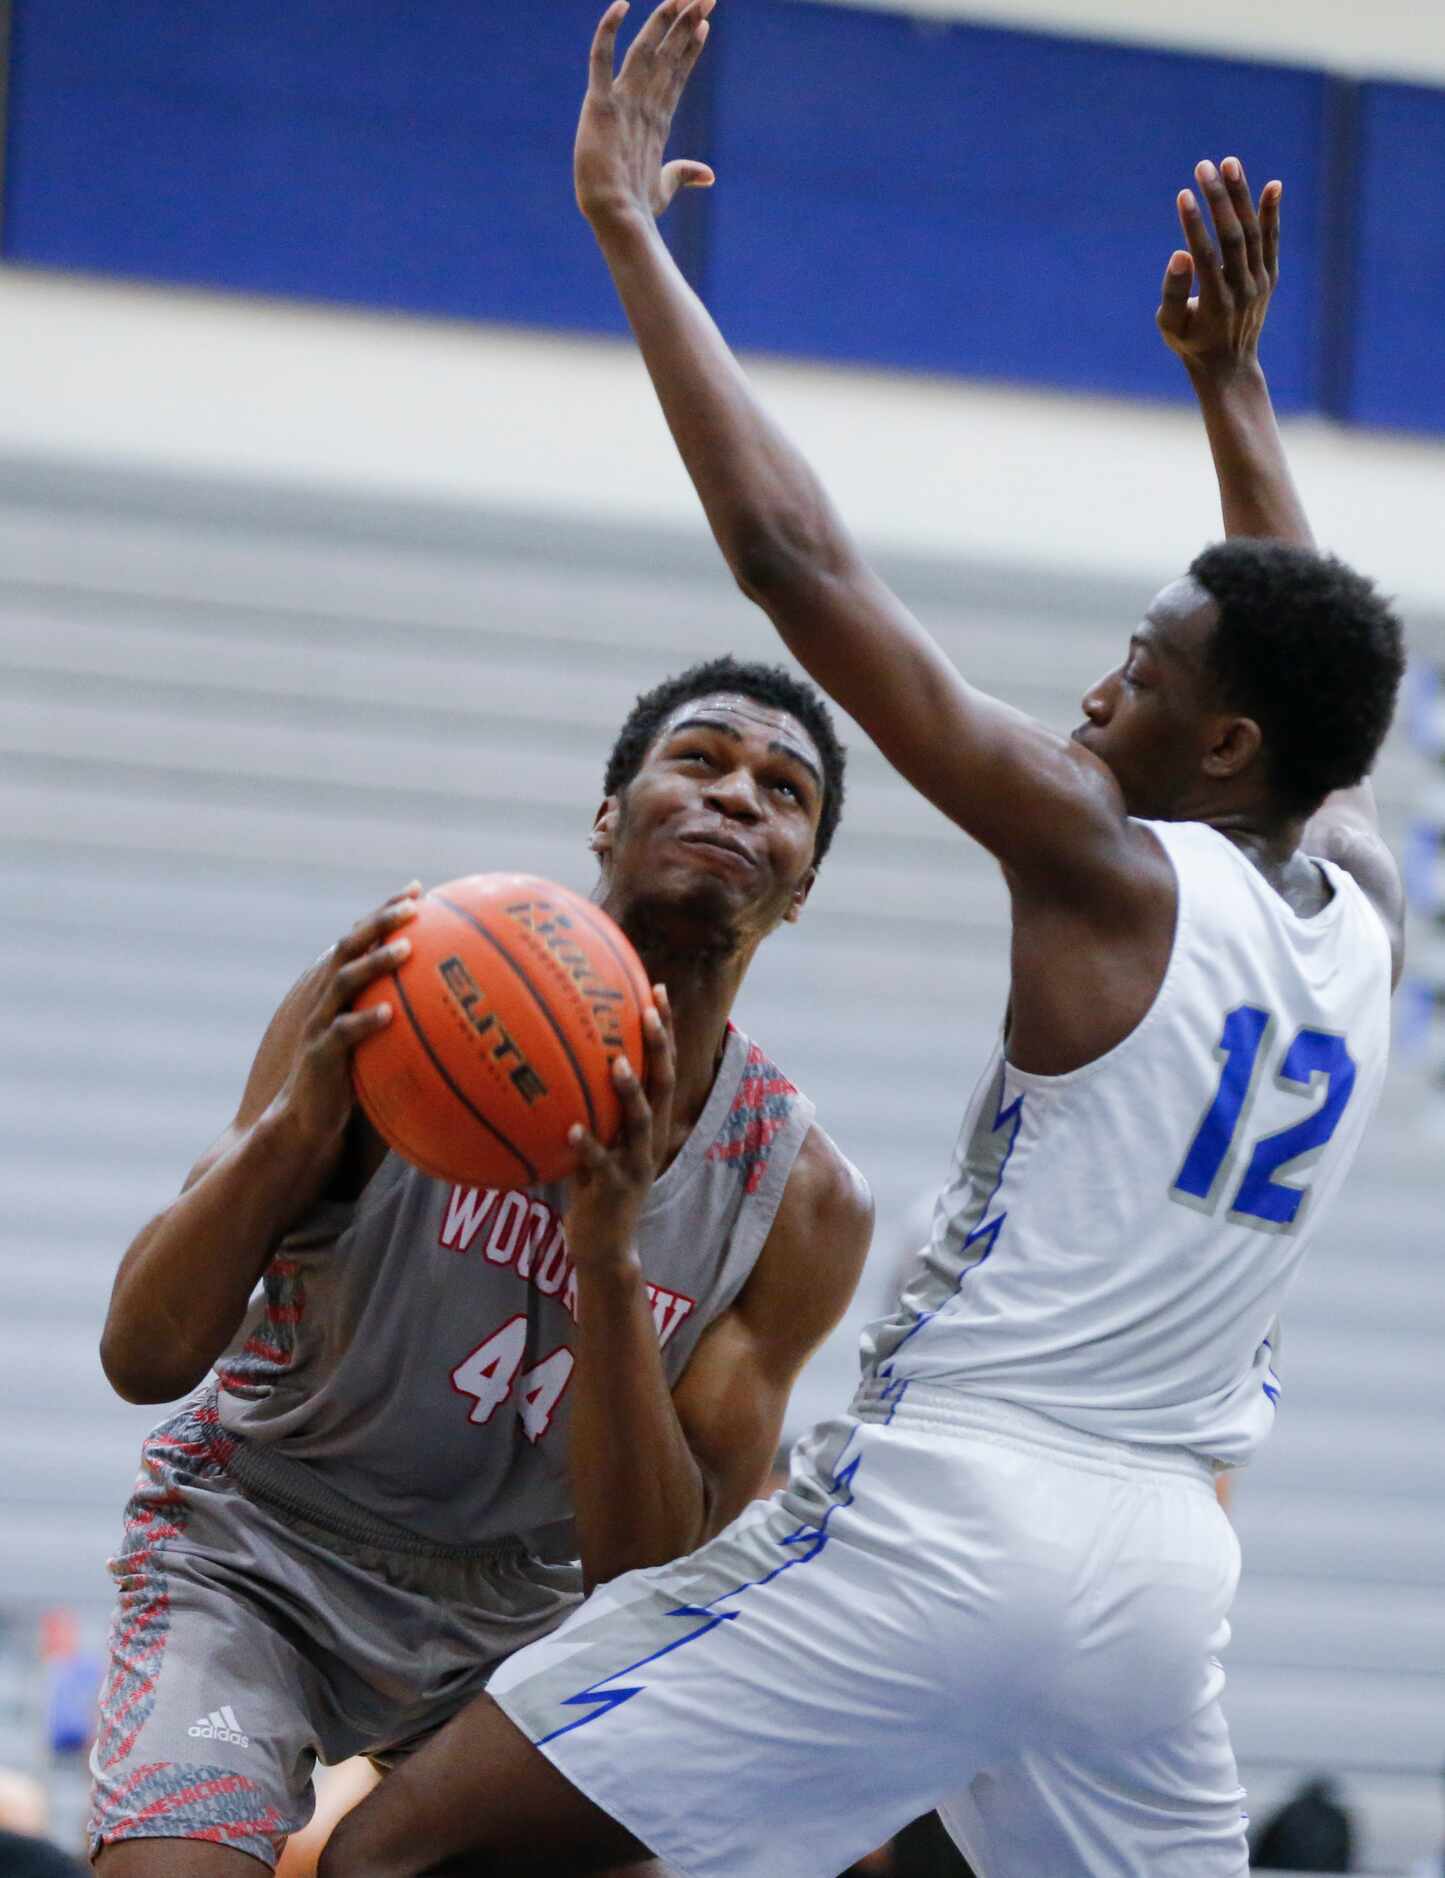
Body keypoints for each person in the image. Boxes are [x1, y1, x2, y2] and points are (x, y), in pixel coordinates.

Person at [312, 5, 1406, 1874]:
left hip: (949, 1514)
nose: (1094, 696)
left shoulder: (1105, 862)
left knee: (399, 1851)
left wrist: (630, 236)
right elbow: (1318, 708)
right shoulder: (1365, 909)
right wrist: (1234, 392)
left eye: (1138, 676)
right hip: (1160, 1587)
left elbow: (796, 567)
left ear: (1219, 748)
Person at [88, 651, 874, 1872]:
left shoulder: (801, 1195)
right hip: (262, 1545)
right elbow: (141, 1357)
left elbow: (644, 1574)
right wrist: (299, 1130)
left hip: (523, 1607)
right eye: (701, 758)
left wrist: (605, 1266)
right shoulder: (395, 1002)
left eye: (783, 791)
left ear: (802, 884)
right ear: (608, 816)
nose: (736, 795)